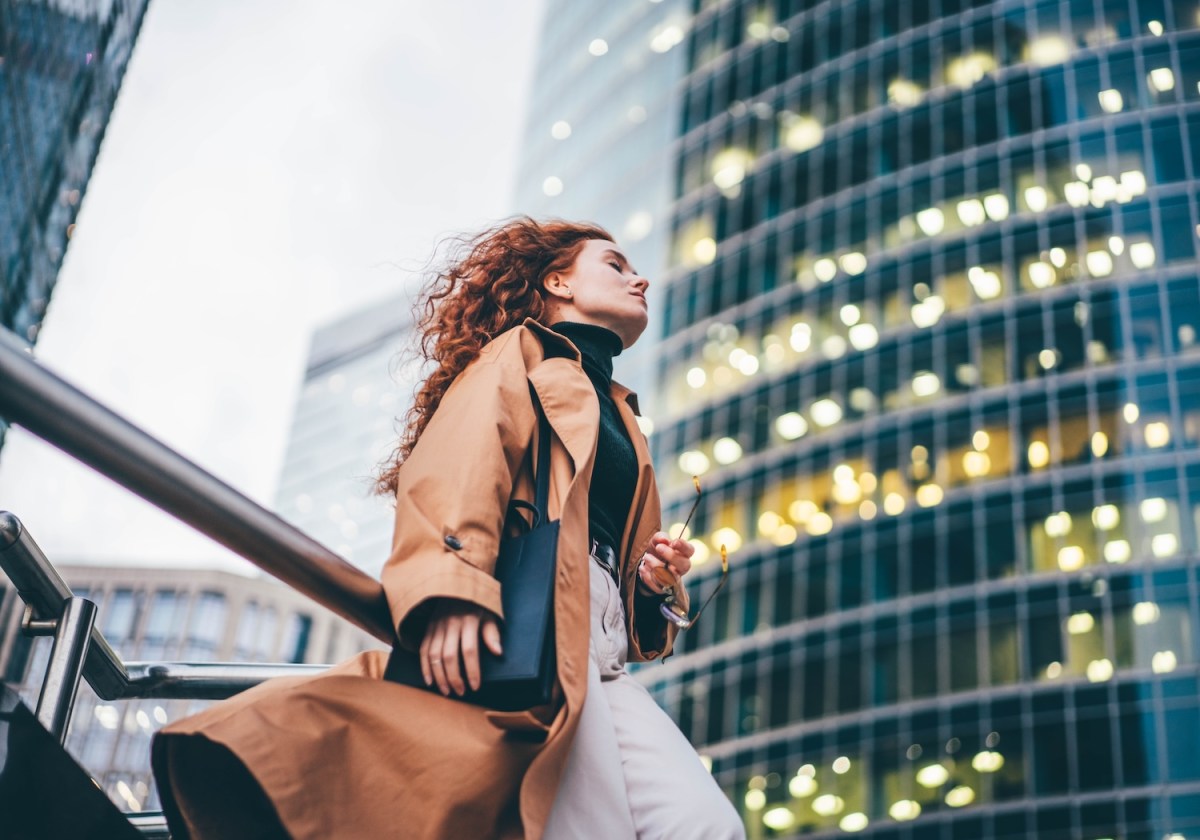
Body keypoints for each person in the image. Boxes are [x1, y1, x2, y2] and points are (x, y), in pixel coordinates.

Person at [151, 218, 746, 839]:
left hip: (601, 652)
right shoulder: (520, 354)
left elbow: (608, 556)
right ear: (558, 281)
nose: (639, 277)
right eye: (616, 265)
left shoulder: (622, 407)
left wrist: (651, 587)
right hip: (540, 625)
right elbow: (461, 460)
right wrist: (452, 586)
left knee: (703, 824)